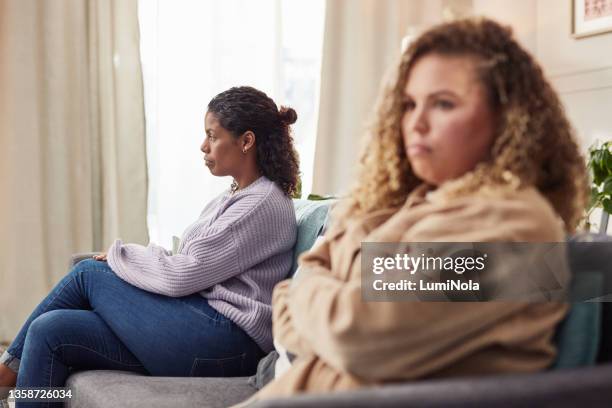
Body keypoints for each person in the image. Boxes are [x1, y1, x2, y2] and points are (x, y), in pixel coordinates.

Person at [244, 18, 588, 403]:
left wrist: (310, 296)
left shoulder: (514, 225)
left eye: (443, 103)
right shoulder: (401, 206)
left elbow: (354, 334)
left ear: (508, 116)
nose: (416, 123)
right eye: (408, 104)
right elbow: (293, 305)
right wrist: (320, 301)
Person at [0, 86, 300, 404]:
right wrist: (128, 262)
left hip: (226, 341)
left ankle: (5, 374)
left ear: (246, 141)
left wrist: (122, 256)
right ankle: (14, 386)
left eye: (212, 136)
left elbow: (184, 273)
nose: (203, 146)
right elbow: (188, 260)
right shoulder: (234, 197)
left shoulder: (263, 202)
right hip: (204, 328)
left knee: (88, 273)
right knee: (52, 329)